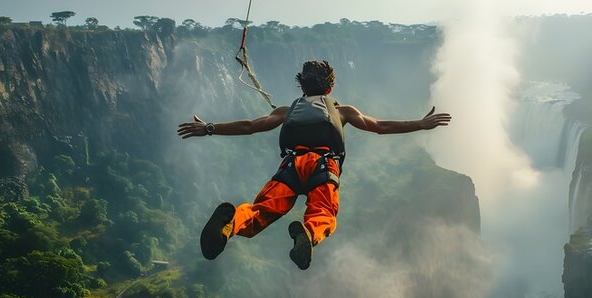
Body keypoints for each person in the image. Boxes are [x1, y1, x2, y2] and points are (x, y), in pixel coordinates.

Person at [177, 60, 451, 270]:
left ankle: (230, 223)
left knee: (262, 211)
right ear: (330, 88)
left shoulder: (286, 111)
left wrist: (209, 128)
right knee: (323, 213)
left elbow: (250, 126)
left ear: (302, 86)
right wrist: (421, 124)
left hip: (291, 166)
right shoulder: (343, 111)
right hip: (323, 166)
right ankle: (307, 233)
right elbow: (380, 126)